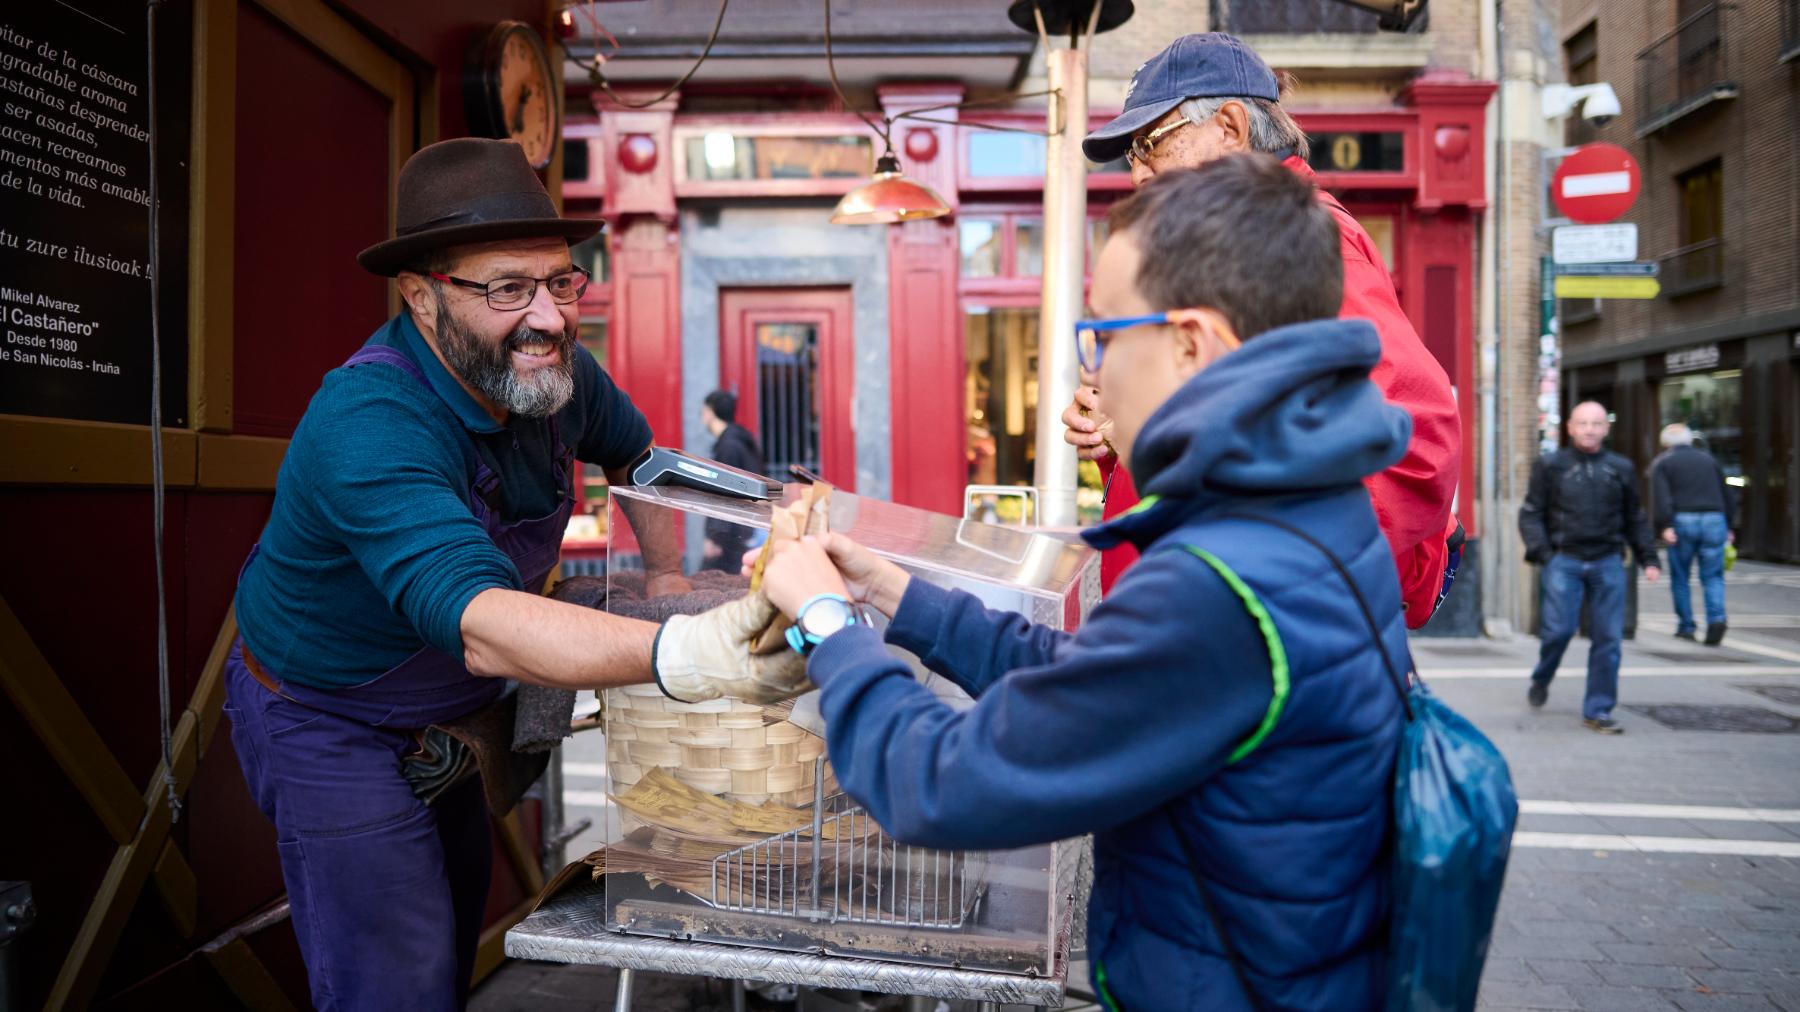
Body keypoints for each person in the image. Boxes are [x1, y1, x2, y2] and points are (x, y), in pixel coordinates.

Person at [757, 156, 1409, 1011]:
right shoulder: (1307, 503)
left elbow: (942, 783)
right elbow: (1093, 674)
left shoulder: (1224, 579)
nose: (1090, 371)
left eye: (1104, 331)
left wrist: (825, 624)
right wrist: (889, 590)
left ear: (1190, 344)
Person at [223, 138, 807, 1009]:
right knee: (394, 979)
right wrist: (694, 648)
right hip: (329, 720)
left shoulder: (550, 373)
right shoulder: (369, 419)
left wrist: (665, 579)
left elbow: (639, 458)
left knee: (451, 935)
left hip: (451, 718)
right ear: (422, 298)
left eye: (561, 281)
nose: (550, 317)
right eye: (507, 289)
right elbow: (485, 623)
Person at [1060, 33, 1462, 629]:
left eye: (1148, 144)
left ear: (1228, 127)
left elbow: (1419, 444)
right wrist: (1129, 436)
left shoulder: (1295, 242)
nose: (1137, 173)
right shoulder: (1234, 244)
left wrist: (1248, 585)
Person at [1518, 401, 1661, 734]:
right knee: (1558, 631)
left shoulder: (1620, 468)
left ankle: (1598, 710)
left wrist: (1648, 558)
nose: (1590, 429)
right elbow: (1531, 513)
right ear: (1570, 427)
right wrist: (1543, 554)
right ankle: (1542, 676)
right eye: (1583, 423)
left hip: (1608, 560)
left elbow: (1635, 517)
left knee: (1608, 638)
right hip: (1563, 559)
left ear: (1606, 428)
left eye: (1596, 423)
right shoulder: (1551, 465)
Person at [1651, 423, 1734, 644]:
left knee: (1680, 577)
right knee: (1713, 576)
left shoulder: (1663, 463)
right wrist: (1729, 526)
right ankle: (1716, 618)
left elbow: (1662, 497)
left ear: (1666, 443)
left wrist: (1665, 525)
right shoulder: (1709, 460)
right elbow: (1727, 494)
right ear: (1689, 440)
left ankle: (1686, 626)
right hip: (1714, 519)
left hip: (1682, 519)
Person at [699, 389, 767, 571]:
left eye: (703, 411)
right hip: (745, 530)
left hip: (732, 536)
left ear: (710, 412)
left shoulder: (727, 447)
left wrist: (714, 537)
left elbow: (722, 494)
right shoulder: (743, 441)